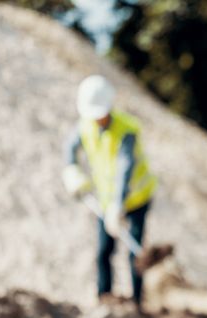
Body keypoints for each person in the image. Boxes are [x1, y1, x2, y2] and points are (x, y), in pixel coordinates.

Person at [62, 75, 158, 305]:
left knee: (136, 253)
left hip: (137, 199)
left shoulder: (126, 130)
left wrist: (118, 205)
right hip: (106, 201)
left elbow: (125, 169)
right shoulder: (85, 125)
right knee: (104, 251)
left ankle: (137, 303)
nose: (97, 119)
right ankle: (104, 298)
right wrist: (71, 170)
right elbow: (70, 148)